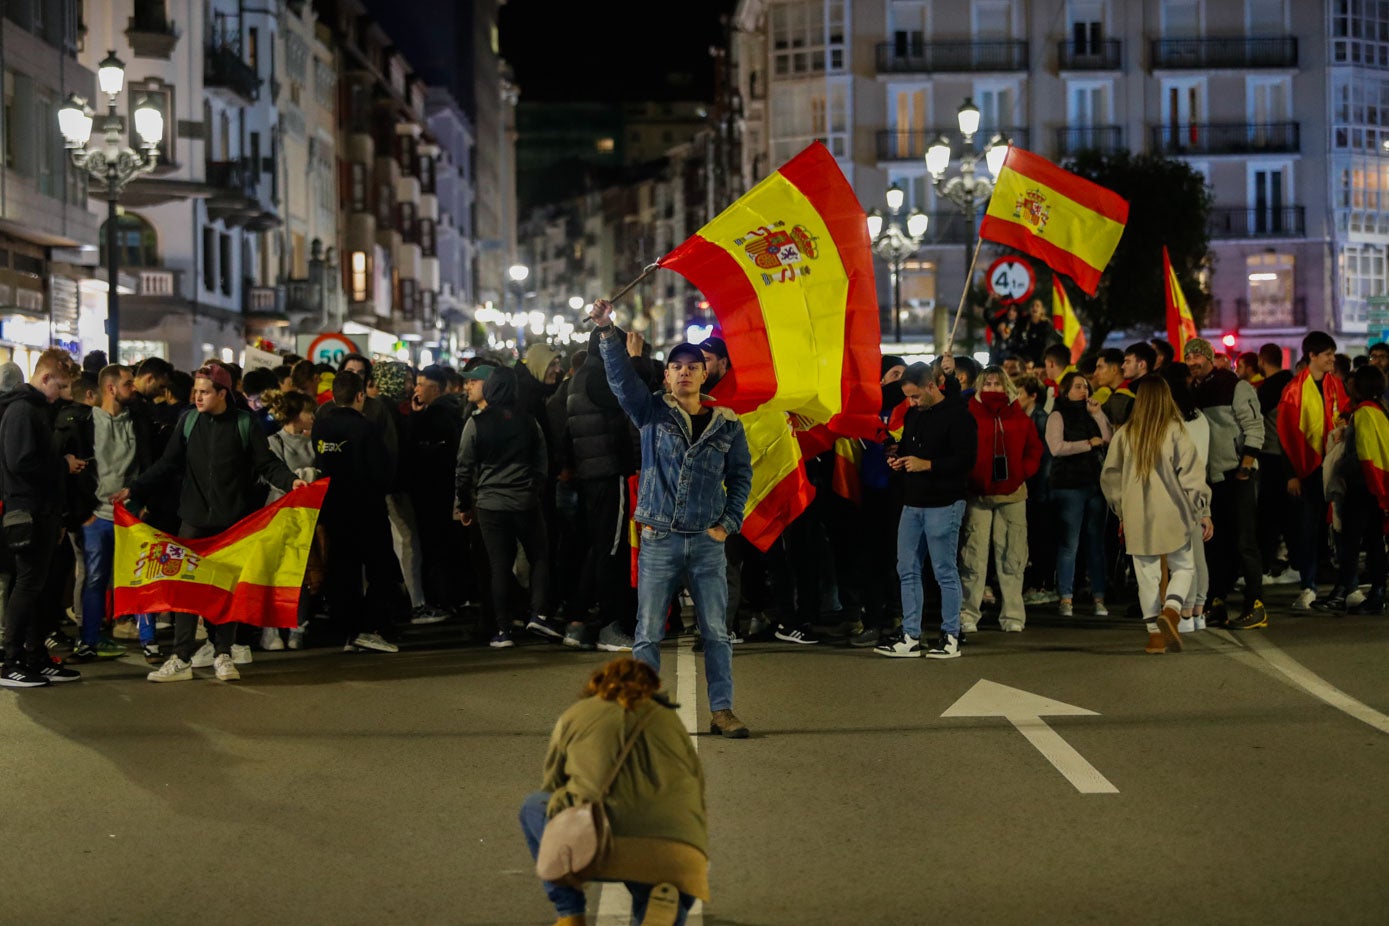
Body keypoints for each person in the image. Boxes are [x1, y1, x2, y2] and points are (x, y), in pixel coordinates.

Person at [589, 297, 754, 738]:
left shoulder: (727, 424)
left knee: (717, 633)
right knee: (647, 633)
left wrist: (728, 524)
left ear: (705, 373)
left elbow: (741, 476)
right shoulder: (652, 413)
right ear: (666, 375)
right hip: (660, 537)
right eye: (676, 366)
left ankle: (722, 711)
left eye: (693, 365)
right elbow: (622, 381)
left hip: (706, 541)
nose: (684, 371)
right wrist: (608, 332)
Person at [121, 364, 306, 682]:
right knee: (184, 590)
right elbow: (167, 463)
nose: (197, 397)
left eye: (204, 391)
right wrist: (134, 489)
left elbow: (267, 463)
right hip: (192, 519)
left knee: (226, 590)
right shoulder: (189, 420)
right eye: (195, 391)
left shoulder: (245, 423)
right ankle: (180, 658)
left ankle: (223, 654)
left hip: (232, 521)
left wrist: (291, 482)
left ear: (223, 393)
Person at [518, 657, 707, 926]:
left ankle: (569, 914)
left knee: (534, 805)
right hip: (674, 853)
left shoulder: (578, 714)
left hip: (597, 846)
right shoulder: (670, 720)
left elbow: (552, 784)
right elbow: (697, 786)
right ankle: (661, 906)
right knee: (665, 876)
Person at [1101, 376, 1213, 654]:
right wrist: (1201, 508)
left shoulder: (1125, 434)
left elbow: (1110, 476)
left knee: (1146, 576)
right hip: (1174, 511)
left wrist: (1121, 509)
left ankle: (1154, 636)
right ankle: (1173, 610)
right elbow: (1193, 474)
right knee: (1184, 566)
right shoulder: (1175, 430)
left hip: (1137, 515)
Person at [57, 364, 161, 664]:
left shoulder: (140, 421)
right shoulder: (86, 422)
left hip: (131, 515)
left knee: (141, 578)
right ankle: (89, 641)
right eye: (128, 383)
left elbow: (149, 464)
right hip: (97, 516)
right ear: (111, 388)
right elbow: (76, 471)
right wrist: (83, 514)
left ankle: (149, 640)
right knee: (95, 579)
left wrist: (142, 501)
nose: (134, 388)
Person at [876, 356, 977, 659]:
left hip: (944, 502)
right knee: (906, 569)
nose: (911, 402)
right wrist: (898, 458)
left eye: (916, 396)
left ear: (931, 386)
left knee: (944, 571)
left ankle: (950, 636)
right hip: (913, 501)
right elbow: (909, 447)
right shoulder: (913, 415)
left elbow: (966, 461)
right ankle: (910, 635)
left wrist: (927, 464)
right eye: (908, 397)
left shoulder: (959, 415)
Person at [455, 366, 558, 648]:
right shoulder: (528, 420)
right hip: (525, 500)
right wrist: (534, 487)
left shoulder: (476, 423)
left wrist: (465, 504)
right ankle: (538, 613)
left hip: (490, 505)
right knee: (538, 556)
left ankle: (502, 631)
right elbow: (541, 459)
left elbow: (463, 468)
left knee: (499, 565)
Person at [0, 349, 86, 687]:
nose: (63, 394)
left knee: (39, 586)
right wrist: (62, 465)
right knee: (28, 585)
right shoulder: (23, 410)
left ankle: (33, 655)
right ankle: (10, 660)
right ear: (45, 377)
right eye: (61, 386)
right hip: (29, 511)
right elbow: (21, 463)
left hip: (43, 510)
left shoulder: (33, 408)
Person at [312, 371, 403, 654]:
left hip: (334, 508)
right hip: (367, 509)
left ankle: (349, 631)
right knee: (379, 569)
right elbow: (381, 470)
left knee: (343, 571)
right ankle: (373, 628)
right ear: (360, 396)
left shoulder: (321, 428)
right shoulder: (365, 429)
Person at [1183, 337, 1266, 629]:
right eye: (1189, 358)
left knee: (1245, 541)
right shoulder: (1192, 390)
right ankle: (1217, 602)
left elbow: (1255, 426)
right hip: (1211, 477)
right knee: (1216, 543)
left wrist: (1245, 465)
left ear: (1209, 357)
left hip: (1236, 472)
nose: (1193, 362)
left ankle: (1256, 604)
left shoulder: (1235, 385)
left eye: (1198, 357)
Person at [958, 367, 1043, 634]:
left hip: (1013, 494)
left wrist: (1021, 473)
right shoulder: (968, 415)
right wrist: (971, 476)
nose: (993, 387)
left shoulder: (1020, 418)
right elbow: (960, 449)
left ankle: (1013, 615)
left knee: (1013, 556)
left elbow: (1034, 450)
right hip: (977, 493)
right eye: (988, 383)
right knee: (973, 557)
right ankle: (968, 613)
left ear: (1006, 386)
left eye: (997, 383)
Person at [1277, 331, 1350, 610]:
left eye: (1333, 354)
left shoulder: (1336, 385)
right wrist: (1291, 474)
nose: (1333, 358)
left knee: (1339, 529)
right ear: (1312, 356)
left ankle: (1347, 586)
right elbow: (1285, 436)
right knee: (1307, 531)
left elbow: (1344, 415)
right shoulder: (1293, 390)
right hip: (1307, 471)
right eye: (1328, 354)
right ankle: (1308, 587)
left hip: (1334, 467)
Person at [1322, 365, 1389, 614]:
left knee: (1349, 542)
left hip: (1362, 487)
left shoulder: (1362, 413)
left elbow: (1361, 454)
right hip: (1376, 487)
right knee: (1375, 543)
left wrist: (1339, 468)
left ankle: (1349, 590)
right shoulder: (1382, 409)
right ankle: (1377, 593)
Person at [1047, 371, 1113, 618]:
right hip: (1069, 486)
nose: (1083, 391)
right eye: (1077, 387)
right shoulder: (1057, 415)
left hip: (1094, 485)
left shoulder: (1091, 413)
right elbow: (1056, 447)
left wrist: (1098, 415)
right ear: (1066, 390)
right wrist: (1088, 444)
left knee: (1096, 544)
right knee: (1069, 544)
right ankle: (1066, 597)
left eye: (1085, 387)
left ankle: (1099, 596)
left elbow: (1107, 439)